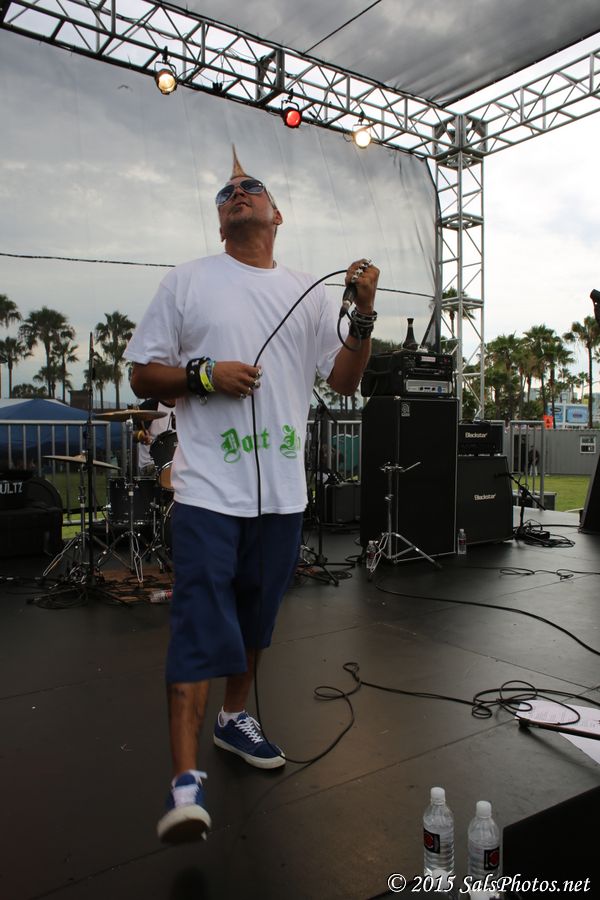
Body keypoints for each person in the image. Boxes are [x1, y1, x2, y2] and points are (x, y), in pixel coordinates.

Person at [124, 146, 379, 845]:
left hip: (281, 495)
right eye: (226, 193)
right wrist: (204, 377)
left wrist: (363, 313)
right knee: (198, 623)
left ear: (276, 213)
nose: (238, 193)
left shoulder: (309, 292)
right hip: (207, 490)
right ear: (220, 222)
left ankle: (235, 718)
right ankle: (184, 785)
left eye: (251, 187)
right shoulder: (187, 280)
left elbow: (344, 380)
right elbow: (143, 376)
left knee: (255, 619)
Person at [134, 398, 176, 476]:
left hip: (177, 463)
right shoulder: (151, 405)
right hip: (151, 465)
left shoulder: (184, 407)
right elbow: (133, 434)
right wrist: (141, 436)